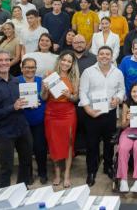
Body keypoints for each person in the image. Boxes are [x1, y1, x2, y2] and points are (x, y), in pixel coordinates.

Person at [0, 50, 32, 188]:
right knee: (7, 167)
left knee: (26, 162)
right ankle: (2, 196)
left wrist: (29, 105)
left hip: (22, 128)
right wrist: (12, 107)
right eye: (0, 60)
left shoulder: (17, 81)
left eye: (7, 60)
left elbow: (20, 105)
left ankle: (22, 189)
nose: (4, 62)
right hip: (4, 132)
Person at [78, 46, 125, 185]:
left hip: (110, 113)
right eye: (102, 54)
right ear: (97, 56)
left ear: (112, 57)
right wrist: (88, 109)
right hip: (92, 114)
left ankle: (108, 167)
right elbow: (82, 92)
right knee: (92, 144)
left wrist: (118, 98)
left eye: (107, 54)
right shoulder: (88, 72)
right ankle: (91, 171)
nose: (105, 56)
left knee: (109, 143)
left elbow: (122, 90)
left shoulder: (117, 72)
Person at [41, 50, 79, 188]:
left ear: (72, 64)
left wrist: (70, 95)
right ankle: (57, 173)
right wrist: (45, 89)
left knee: (69, 143)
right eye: (64, 60)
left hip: (68, 113)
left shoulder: (74, 78)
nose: (65, 63)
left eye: (69, 61)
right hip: (52, 113)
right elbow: (44, 97)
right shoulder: (49, 75)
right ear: (59, 60)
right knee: (54, 143)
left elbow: (76, 98)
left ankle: (67, 174)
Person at [17, 57, 48, 185]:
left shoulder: (41, 80)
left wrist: (45, 90)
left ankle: (43, 173)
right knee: (25, 149)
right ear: (22, 68)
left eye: (33, 67)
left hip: (38, 119)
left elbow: (44, 98)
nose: (30, 70)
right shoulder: (15, 81)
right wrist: (24, 103)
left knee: (40, 148)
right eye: (27, 67)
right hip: (22, 120)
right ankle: (27, 174)